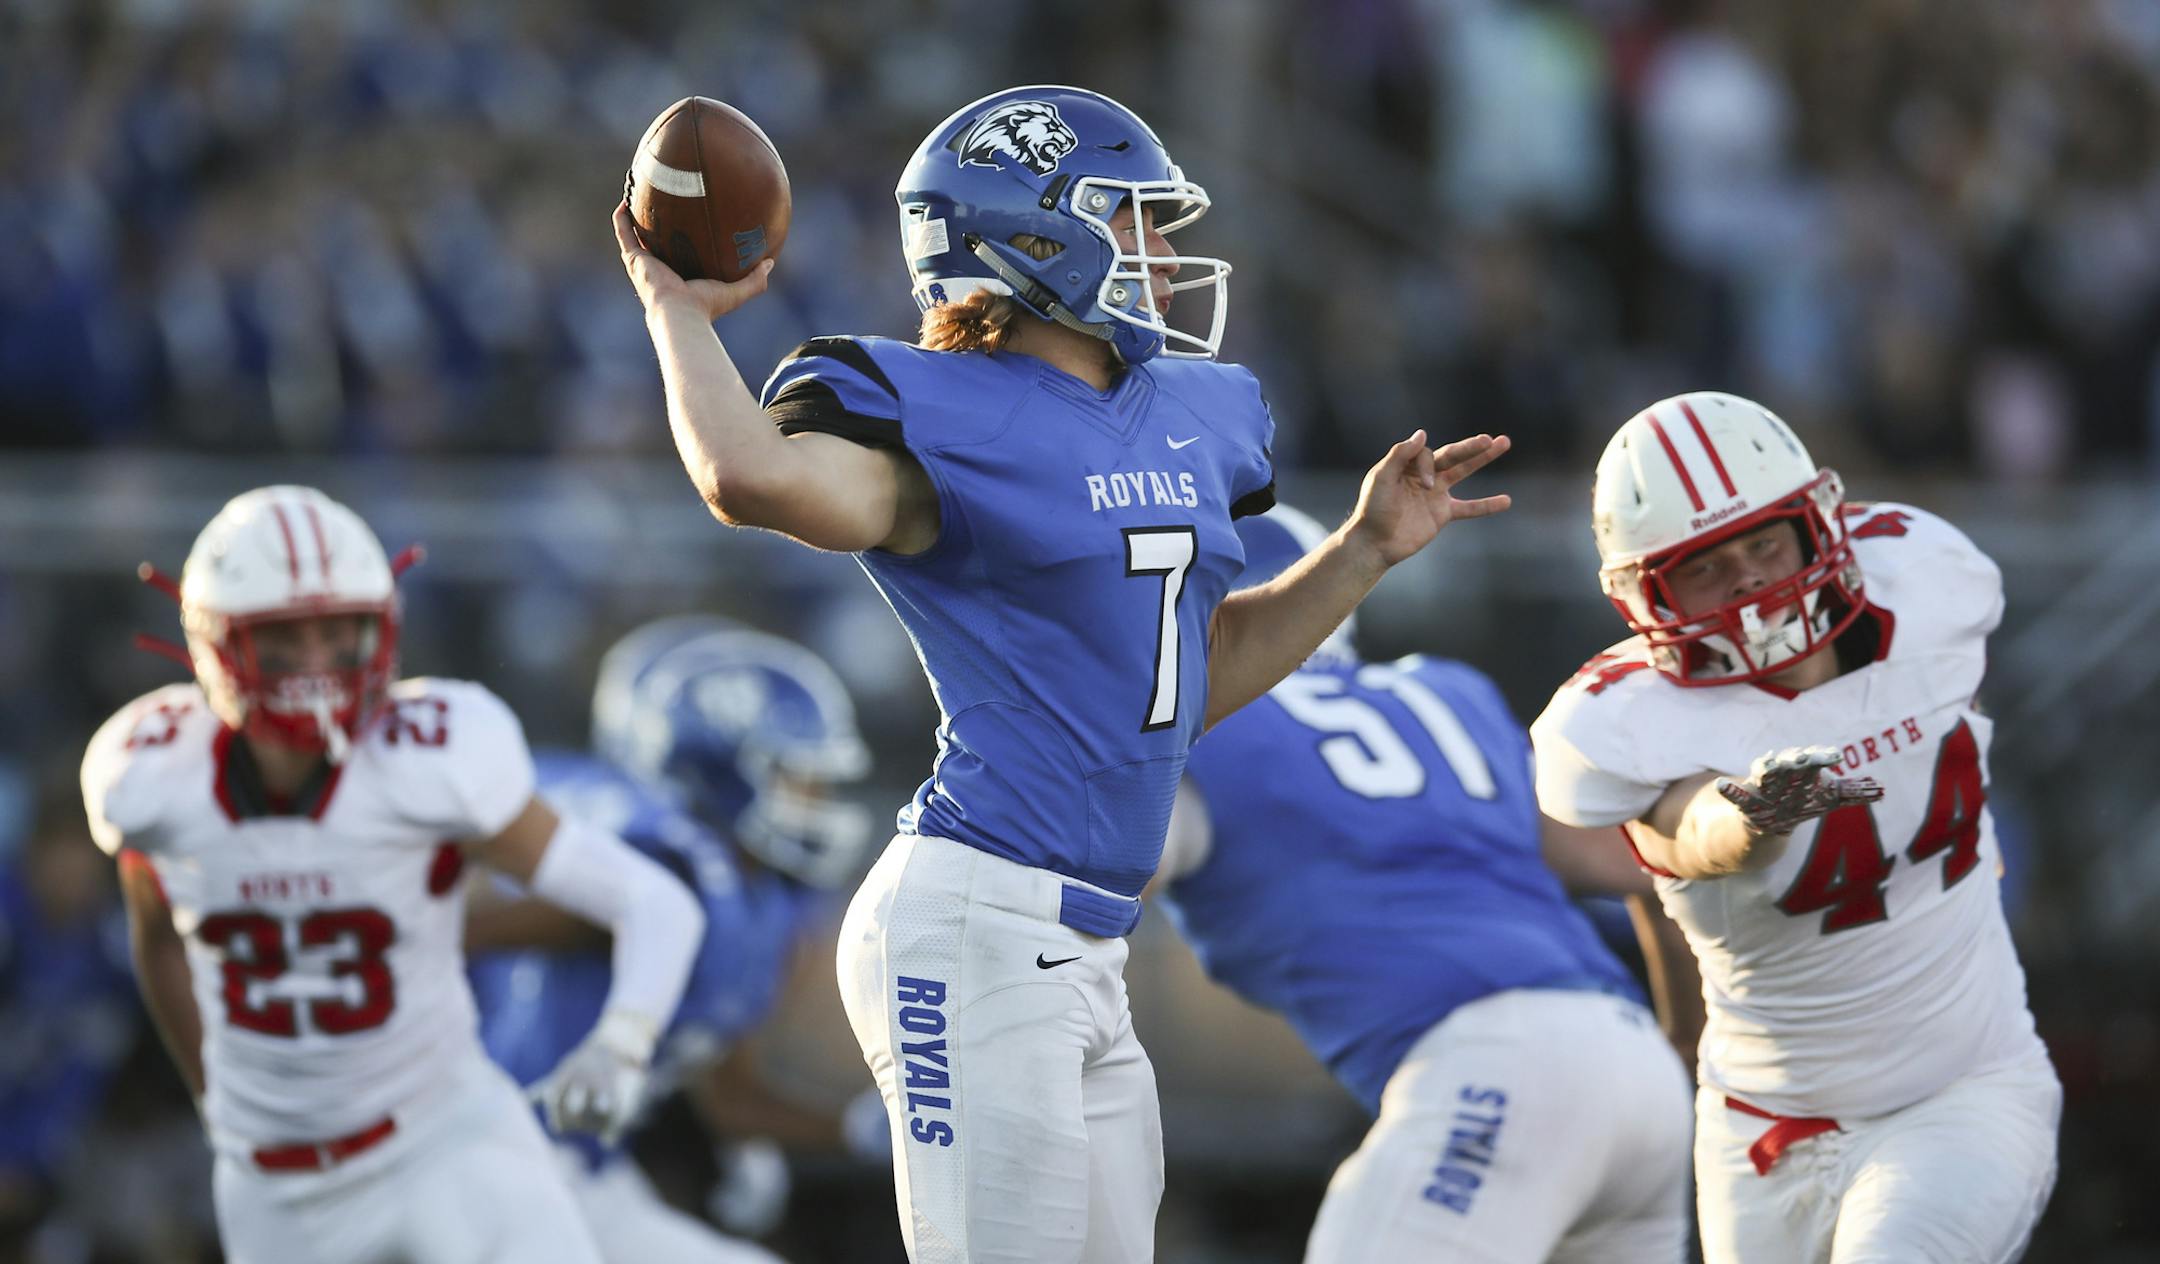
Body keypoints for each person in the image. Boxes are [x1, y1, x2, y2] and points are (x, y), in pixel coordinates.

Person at [613, 84, 1512, 1263]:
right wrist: (676, 309)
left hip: (1082, 946)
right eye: (1132, 218)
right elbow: (747, 475)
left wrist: (1363, 553)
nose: (1164, 250)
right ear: (1031, 233)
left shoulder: (1193, 414)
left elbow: (1180, 692)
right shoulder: (939, 410)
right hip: (973, 916)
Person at [79, 486, 707, 1264]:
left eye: (339, 632)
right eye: (284, 639)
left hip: (443, 1138)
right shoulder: (154, 780)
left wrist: (621, 1044)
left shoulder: (429, 758)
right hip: (273, 1185)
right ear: (213, 642)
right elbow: (159, 937)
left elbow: (655, 901)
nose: (316, 665)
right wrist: (219, 1102)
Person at [1530, 393, 2061, 1263]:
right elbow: (1684, 836)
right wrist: (1748, 820)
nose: (1746, 580)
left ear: (1821, 527)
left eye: (1764, 543)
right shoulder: (1621, 721)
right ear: (1644, 593)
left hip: (1961, 1088)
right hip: (1757, 1130)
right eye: (1705, 565)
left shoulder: (1925, 585)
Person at [1154, 505, 1693, 1263]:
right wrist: (1684, 1043)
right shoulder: (1443, 697)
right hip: (1636, 1072)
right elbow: (1645, 861)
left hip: (1493, 1072)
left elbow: (1073, 887)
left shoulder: (1193, 733)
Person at [467, 617, 891, 1263]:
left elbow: (732, 1096)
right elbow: (450, 927)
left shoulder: (760, 901)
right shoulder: (664, 868)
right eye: (796, 774)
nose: (817, 797)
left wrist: (865, 1131)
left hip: (584, 1175)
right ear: (716, 766)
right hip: (494, 1162)